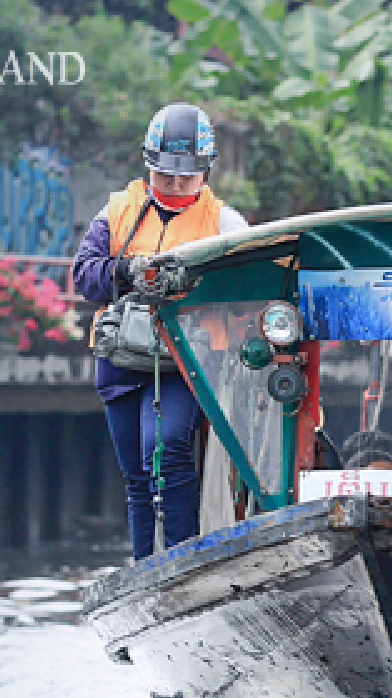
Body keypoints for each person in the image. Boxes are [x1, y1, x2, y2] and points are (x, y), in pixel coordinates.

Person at [72, 102, 247, 559]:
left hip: (184, 361)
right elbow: (84, 274)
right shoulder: (118, 211)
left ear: (205, 172)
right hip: (122, 359)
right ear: (148, 166)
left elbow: (252, 285)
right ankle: (145, 565)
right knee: (135, 473)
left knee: (165, 451)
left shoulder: (225, 223)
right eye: (164, 175)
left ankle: (183, 558)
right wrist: (128, 270)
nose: (173, 185)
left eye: (185, 178)